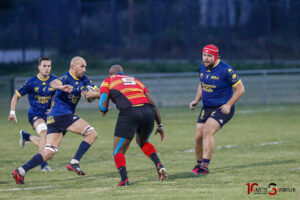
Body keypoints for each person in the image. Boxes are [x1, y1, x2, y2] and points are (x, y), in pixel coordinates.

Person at [12, 56, 99, 185]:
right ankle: (74, 162)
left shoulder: (85, 80)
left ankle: (21, 171)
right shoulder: (65, 78)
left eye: (85, 66)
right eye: (82, 66)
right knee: (92, 133)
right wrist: (61, 88)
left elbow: (99, 91)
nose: (84, 69)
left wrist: (94, 94)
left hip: (54, 119)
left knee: (49, 153)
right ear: (73, 66)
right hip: (61, 115)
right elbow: (53, 83)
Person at [98, 65, 167, 186]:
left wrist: (104, 109)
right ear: (122, 73)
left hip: (130, 112)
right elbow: (153, 104)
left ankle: (124, 180)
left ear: (111, 73)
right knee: (143, 142)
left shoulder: (108, 80)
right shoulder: (136, 80)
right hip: (148, 112)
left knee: (118, 151)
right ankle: (159, 164)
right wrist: (160, 125)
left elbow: (102, 105)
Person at [189, 44, 245, 175]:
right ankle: (198, 164)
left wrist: (229, 104)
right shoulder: (202, 67)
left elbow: (241, 89)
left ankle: (204, 167)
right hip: (207, 107)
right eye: (204, 55)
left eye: (209, 56)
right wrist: (196, 100)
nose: (206, 58)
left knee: (207, 130)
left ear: (216, 56)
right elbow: (202, 84)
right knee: (198, 137)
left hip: (223, 107)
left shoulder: (226, 70)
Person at [8, 57, 56, 172]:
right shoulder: (32, 82)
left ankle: (26, 136)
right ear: (39, 67)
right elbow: (16, 96)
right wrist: (12, 112)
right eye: (44, 66)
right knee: (44, 133)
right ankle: (43, 165)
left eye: (49, 66)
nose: (47, 68)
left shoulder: (55, 80)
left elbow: (56, 95)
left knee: (46, 142)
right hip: (35, 115)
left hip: (48, 116)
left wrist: (52, 108)